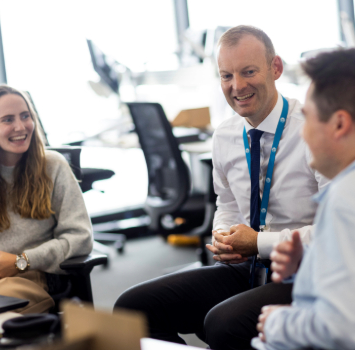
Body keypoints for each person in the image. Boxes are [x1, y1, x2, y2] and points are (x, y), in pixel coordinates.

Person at [114, 25, 327, 350]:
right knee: (132, 308)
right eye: (226, 76)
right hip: (246, 267)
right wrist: (224, 234)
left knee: (222, 324)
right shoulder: (225, 135)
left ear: (276, 68)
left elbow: (335, 233)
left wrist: (259, 242)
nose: (237, 86)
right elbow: (226, 202)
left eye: (248, 72)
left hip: (303, 271)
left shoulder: (313, 133)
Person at [253, 48, 355, 350]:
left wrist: (277, 323)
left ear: (339, 124)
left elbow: (341, 327)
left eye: (308, 119)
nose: (304, 134)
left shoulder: (343, 200)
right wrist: (308, 263)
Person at [0, 85, 93, 313]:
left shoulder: (53, 166)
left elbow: (80, 238)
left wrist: (21, 261)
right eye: (7, 119)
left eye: (25, 116)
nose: (20, 126)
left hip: (26, 279)